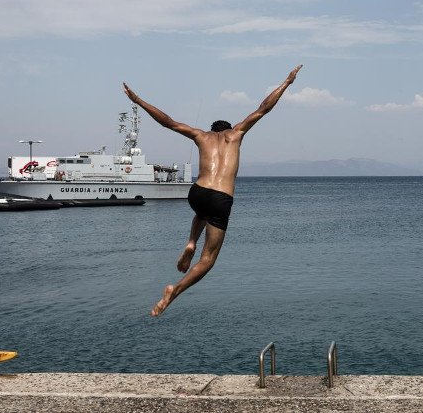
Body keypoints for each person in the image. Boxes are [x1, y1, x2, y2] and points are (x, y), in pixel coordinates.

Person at [123, 65, 302, 316]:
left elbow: (168, 122)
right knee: (207, 260)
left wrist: (138, 100)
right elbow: (264, 108)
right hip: (221, 198)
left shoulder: (201, 136)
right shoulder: (237, 133)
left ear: (212, 131)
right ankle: (174, 291)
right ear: (228, 129)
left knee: (201, 212)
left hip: (197, 193)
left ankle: (191, 242)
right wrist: (287, 82)